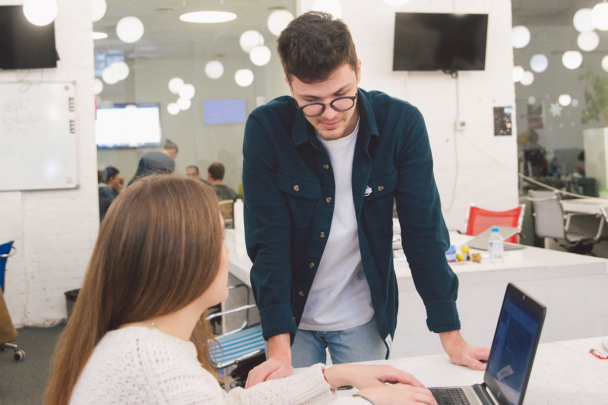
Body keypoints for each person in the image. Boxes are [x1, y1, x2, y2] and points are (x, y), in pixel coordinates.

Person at [242, 12, 489, 386]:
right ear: (289, 82)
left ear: (358, 69)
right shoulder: (266, 128)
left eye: (341, 97)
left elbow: (422, 232)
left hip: (362, 315)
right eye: (311, 101)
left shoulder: (401, 124)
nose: (328, 114)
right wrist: (278, 347)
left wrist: (451, 337)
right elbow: (268, 241)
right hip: (291, 320)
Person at [44, 176, 437, 405]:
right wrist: (363, 399)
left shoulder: (142, 343)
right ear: (184, 259)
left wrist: (336, 376)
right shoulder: (157, 368)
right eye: (218, 238)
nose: (227, 250)